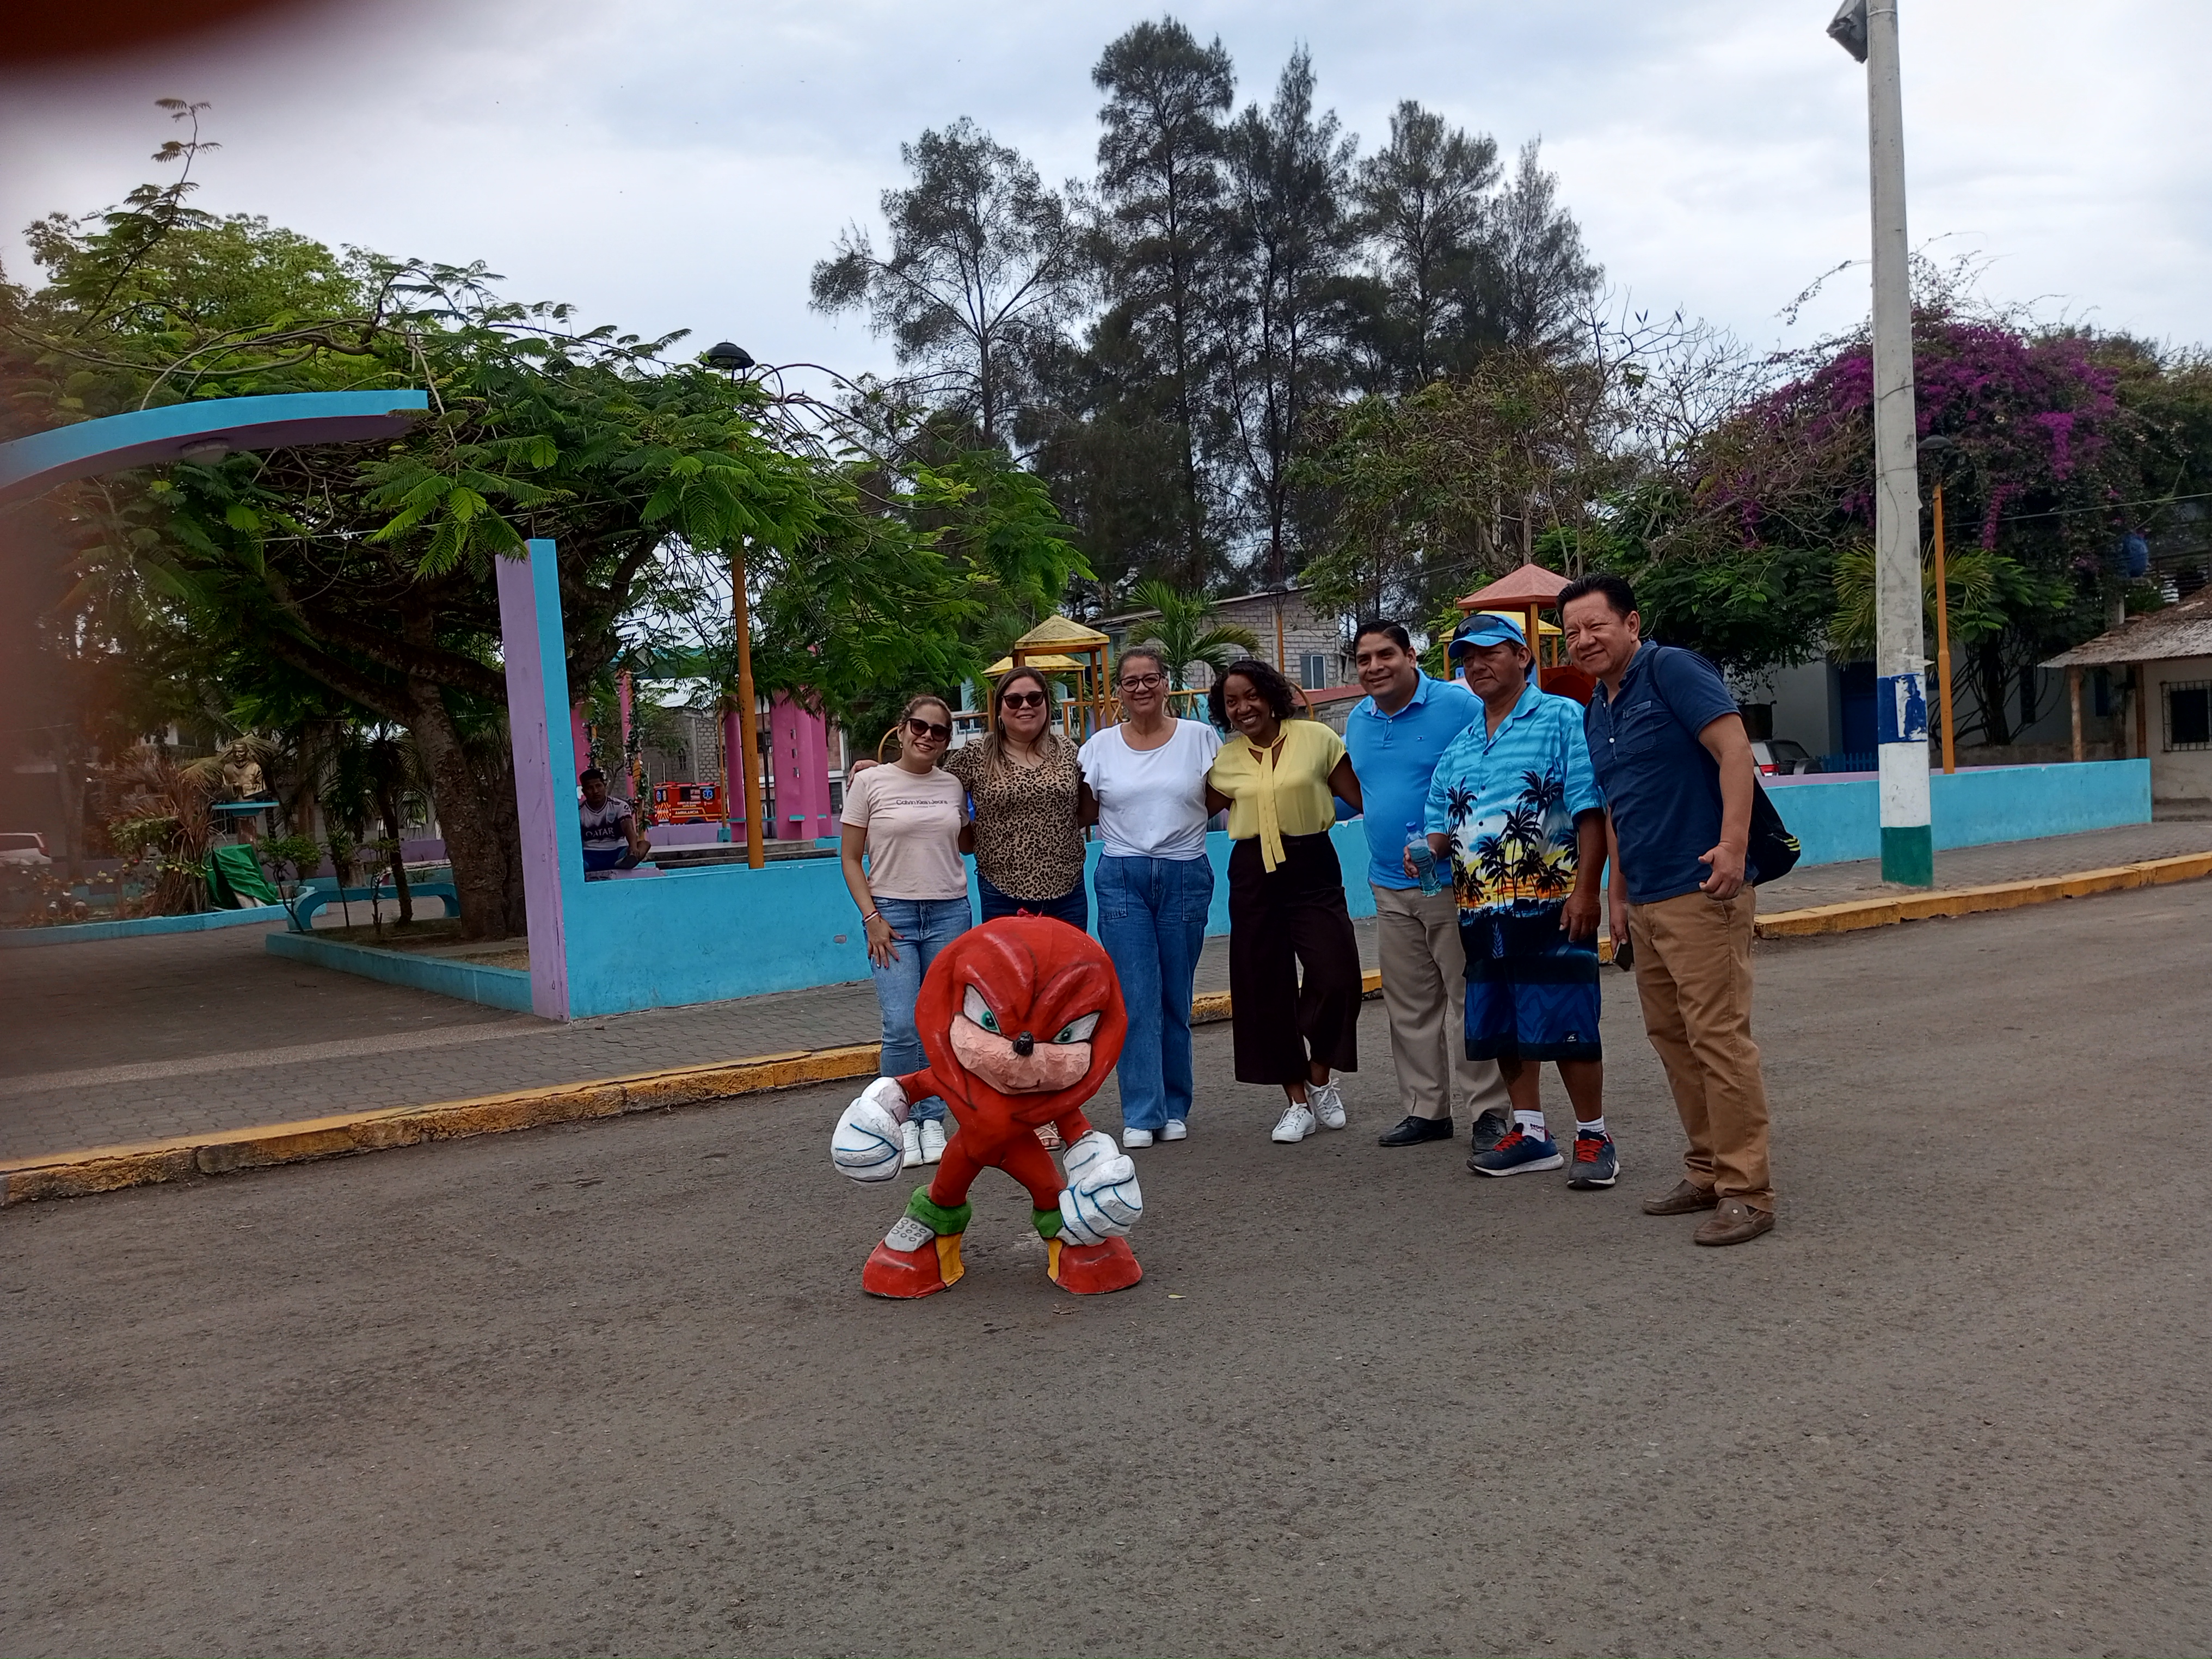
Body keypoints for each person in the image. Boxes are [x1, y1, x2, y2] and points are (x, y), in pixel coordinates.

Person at [1559, 573, 1777, 1246]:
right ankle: (1706, 1170)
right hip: (1646, 898)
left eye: (1595, 625)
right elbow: (1618, 805)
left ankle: (1746, 1191)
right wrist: (1616, 894)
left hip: (1702, 888)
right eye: (1571, 632)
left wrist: (1732, 846)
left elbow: (1733, 750)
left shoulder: (1671, 670)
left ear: (1630, 623)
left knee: (1717, 1038)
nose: (1583, 640)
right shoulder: (1596, 708)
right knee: (1672, 1039)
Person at [1423, 615, 1616, 1186]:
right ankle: (1531, 1133)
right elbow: (1439, 823)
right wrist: (1425, 849)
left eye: (1488, 653)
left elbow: (1589, 810)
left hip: (1552, 905)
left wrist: (1587, 890)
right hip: (1480, 912)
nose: (1475, 665)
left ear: (1522, 657)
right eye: (1467, 658)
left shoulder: (1561, 717)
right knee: (1504, 1026)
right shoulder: (1459, 746)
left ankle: (1594, 1136)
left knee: (1570, 1024)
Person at [1343, 620, 1514, 1152]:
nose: (1374, 667)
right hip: (1387, 884)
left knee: (1468, 997)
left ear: (1410, 656)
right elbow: (1365, 791)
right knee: (1409, 1005)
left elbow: (1493, 771)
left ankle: (1489, 1112)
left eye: (1385, 655)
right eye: (1364, 659)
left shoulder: (1457, 706)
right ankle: (1426, 1111)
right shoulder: (1358, 719)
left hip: (1453, 881)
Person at [1203, 656, 1365, 1146]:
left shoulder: (1318, 739)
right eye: (1232, 701)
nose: (1243, 708)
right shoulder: (1225, 760)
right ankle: (1296, 1102)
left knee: (1337, 975)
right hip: (1253, 873)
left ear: (1272, 695)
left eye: (1251, 696)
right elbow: (1186, 809)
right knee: (1262, 986)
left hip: (1312, 863)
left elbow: (1362, 798)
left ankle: (1319, 1076)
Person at [1078, 646, 1221, 1151]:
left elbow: (1220, 795)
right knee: (1135, 998)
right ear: (1118, 690)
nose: (1141, 688)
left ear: (1166, 684)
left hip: (1185, 871)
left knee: (1175, 996)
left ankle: (1175, 1105)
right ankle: (1142, 1110)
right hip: (1123, 873)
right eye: (1130, 681)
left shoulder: (1199, 738)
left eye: (1150, 679)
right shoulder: (1099, 748)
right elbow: (1085, 809)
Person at [840, 695, 972, 1170]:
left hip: (948, 913)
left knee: (940, 1024)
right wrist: (871, 917)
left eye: (939, 731)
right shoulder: (869, 782)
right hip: (891, 914)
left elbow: (967, 841)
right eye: (919, 726)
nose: (928, 737)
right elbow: (850, 858)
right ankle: (898, 1119)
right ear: (901, 729)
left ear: (947, 741)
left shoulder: (953, 786)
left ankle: (932, 1118)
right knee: (900, 1025)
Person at [947, 666, 1087, 931]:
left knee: (1069, 960)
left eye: (1034, 698)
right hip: (1001, 893)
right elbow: (932, 786)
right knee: (1009, 961)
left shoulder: (1068, 751)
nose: (1025, 706)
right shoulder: (977, 754)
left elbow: (1089, 803)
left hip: (1068, 891)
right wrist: (886, 772)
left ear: (1046, 702)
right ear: (1000, 708)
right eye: (1014, 700)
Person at [578, 768, 649, 874]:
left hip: (618, 852)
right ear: (584, 791)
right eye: (590, 788)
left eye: (599, 786)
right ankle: (586, 866)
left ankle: (625, 863)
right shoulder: (579, 810)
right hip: (590, 854)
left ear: (605, 786)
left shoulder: (619, 806)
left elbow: (628, 828)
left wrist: (633, 847)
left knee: (644, 845)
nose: (595, 791)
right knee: (577, 859)